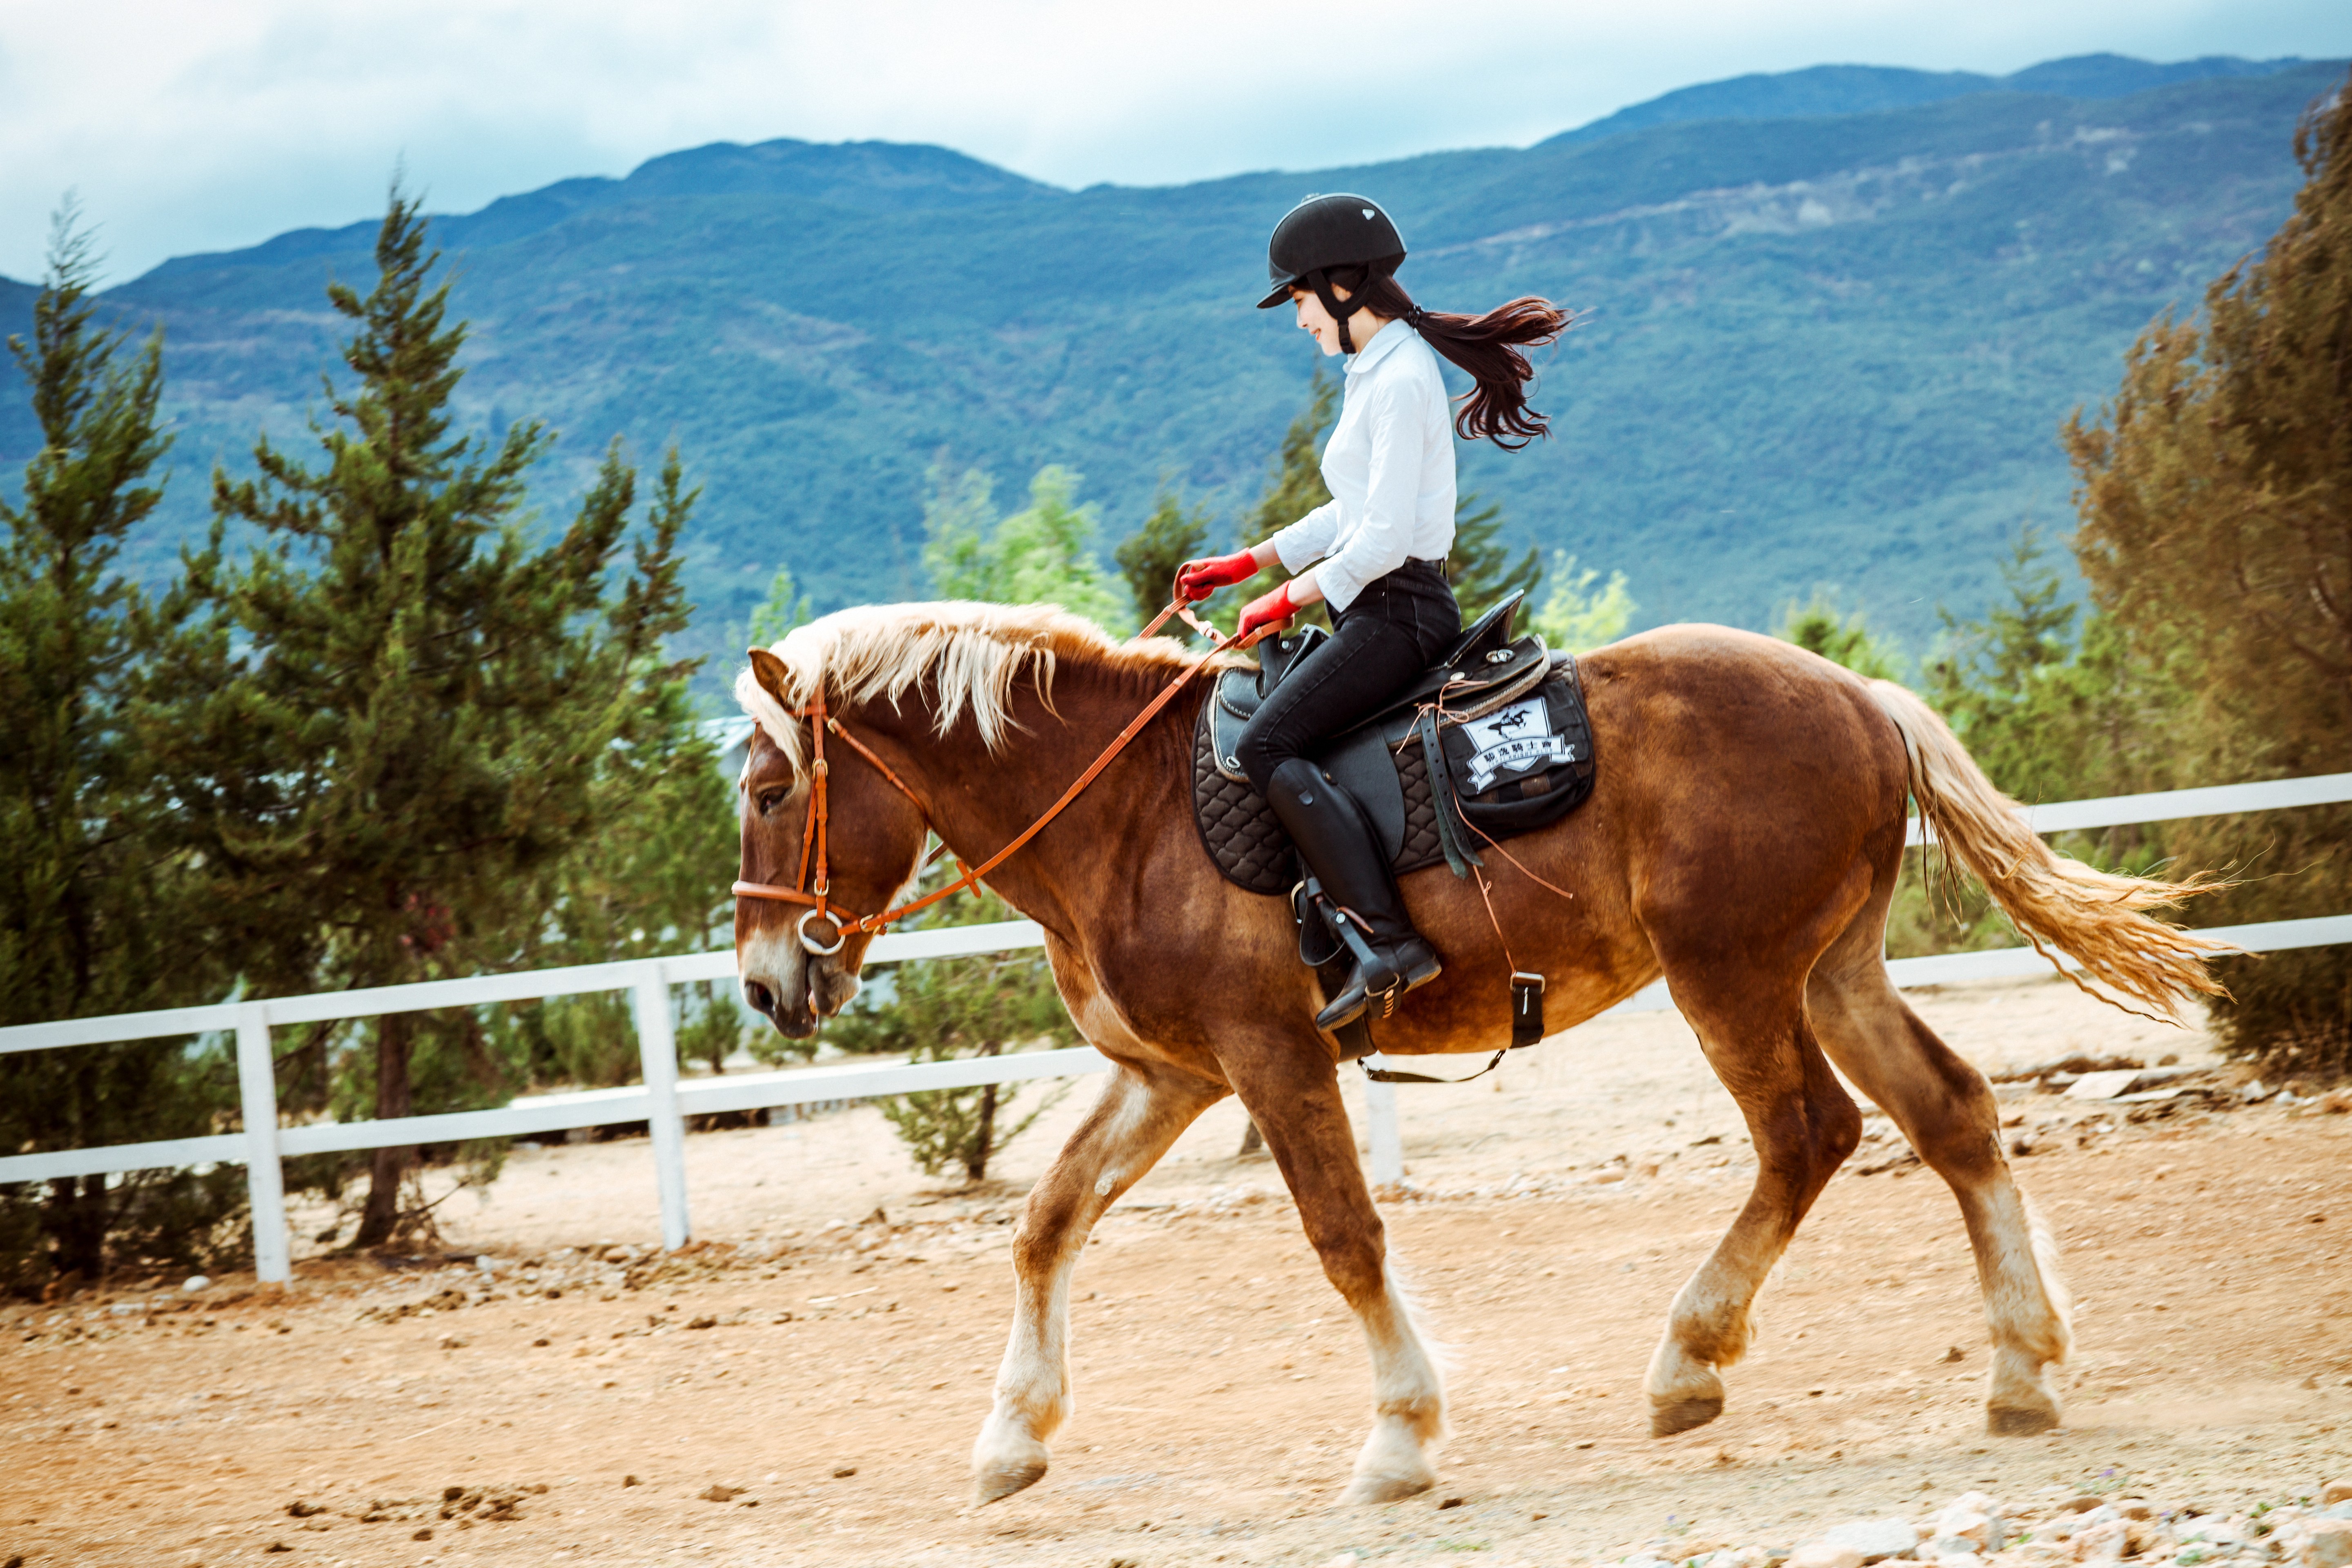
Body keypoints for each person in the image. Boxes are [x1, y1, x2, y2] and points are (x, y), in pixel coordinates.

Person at [1176, 193, 1568, 1032]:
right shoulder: (1377, 371)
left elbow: (1383, 539)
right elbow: (1345, 512)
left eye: (1300, 301)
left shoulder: (1399, 378)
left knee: (1266, 743)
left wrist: (1282, 597)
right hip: (1376, 605)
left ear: (1342, 286)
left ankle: (1389, 941)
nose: (1299, 321)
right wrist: (1247, 562)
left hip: (1398, 611)